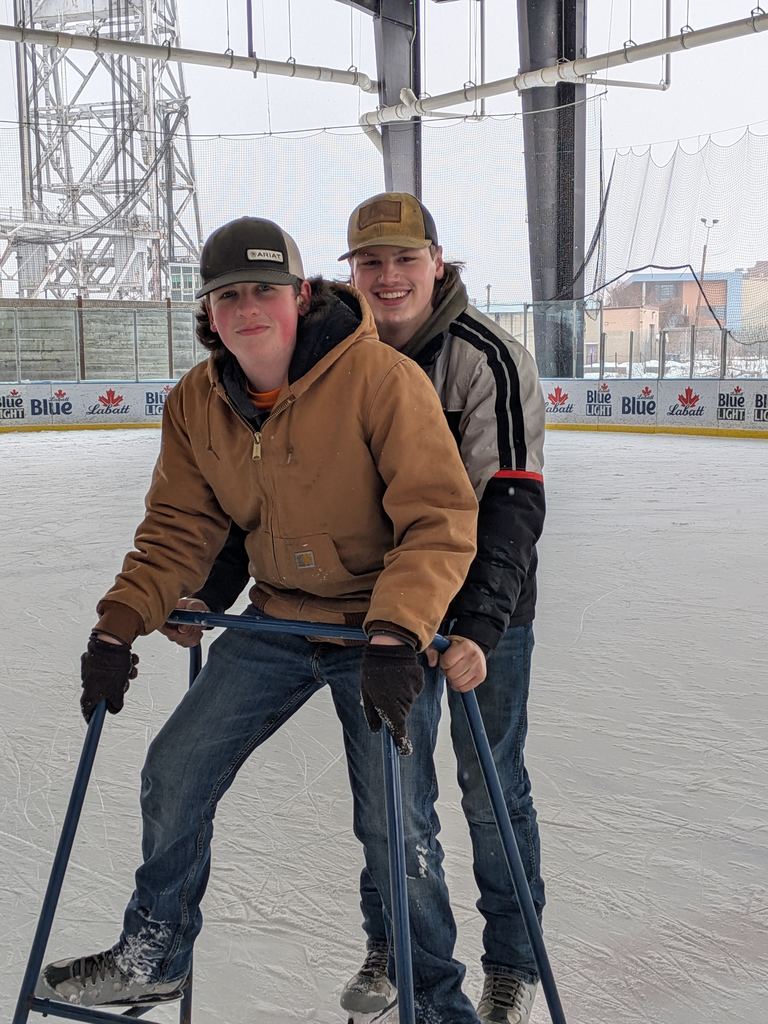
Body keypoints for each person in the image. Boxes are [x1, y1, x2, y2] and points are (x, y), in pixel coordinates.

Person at [35, 215, 483, 1024]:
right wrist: (117, 624)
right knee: (174, 771)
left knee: (397, 824)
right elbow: (179, 528)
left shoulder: (380, 381)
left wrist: (397, 630)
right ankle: (154, 957)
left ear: (300, 296)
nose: (248, 309)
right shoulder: (197, 403)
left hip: (376, 632)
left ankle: (436, 1002)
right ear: (208, 312)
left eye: (265, 291)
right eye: (229, 295)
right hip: (276, 622)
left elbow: (437, 520)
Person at [178, 195, 548, 1024]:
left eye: (405, 259)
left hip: (481, 610)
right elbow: (269, 496)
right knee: (390, 793)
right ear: (346, 273)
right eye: (370, 262)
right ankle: (395, 943)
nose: (388, 277)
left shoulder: (486, 358)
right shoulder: (325, 354)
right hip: (380, 611)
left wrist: (477, 627)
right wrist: (213, 587)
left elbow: (510, 505)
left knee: (491, 788)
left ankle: (512, 962)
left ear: (437, 264)